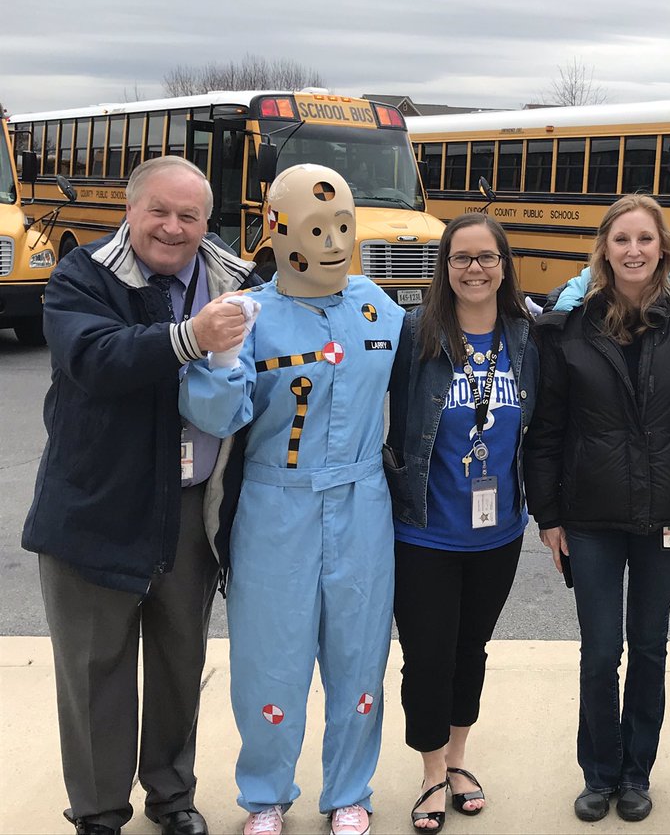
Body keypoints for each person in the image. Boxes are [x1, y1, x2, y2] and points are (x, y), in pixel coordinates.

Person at [22, 156, 258, 835]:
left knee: (180, 661)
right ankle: (98, 811)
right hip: (96, 505)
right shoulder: (81, 276)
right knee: (95, 668)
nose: (173, 227)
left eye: (189, 215)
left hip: (190, 511)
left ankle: (172, 796)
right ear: (129, 210)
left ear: (208, 221)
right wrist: (190, 338)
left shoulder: (238, 281)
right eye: (159, 210)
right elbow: (93, 358)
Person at [180, 164, 404, 835]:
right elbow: (217, 415)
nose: (335, 242)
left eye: (343, 226)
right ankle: (267, 794)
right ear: (276, 234)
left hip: (362, 503)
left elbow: (444, 346)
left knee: (359, 653)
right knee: (268, 656)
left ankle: (349, 793)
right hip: (277, 509)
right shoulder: (250, 315)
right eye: (316, 229)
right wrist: (219, 355)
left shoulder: (378, 307)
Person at [524, 195, 670, 823]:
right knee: (601, 648)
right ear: (604, 247)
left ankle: (637, 773)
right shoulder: (567, 324)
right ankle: (599, 773)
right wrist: (548, 516)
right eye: (622, 240)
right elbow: (546, 428)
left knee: (651, 646)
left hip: (666, 511)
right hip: (590, 513)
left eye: (645, 239)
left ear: (663, 247)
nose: (634, 251)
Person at [386, 213, 537, 833]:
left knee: (470, 649)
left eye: (486, 257)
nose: (475, 269)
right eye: (461, 258)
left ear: (504, 265)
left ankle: (457, 760)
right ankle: (428, 774)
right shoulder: (415, 334)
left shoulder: (526, 336)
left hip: (498, 531)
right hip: (423, 530)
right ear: (444, 269)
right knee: (428, 655)